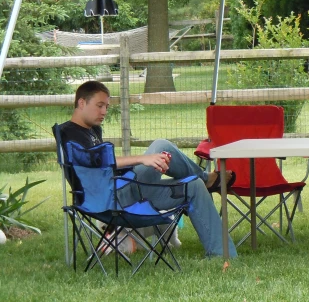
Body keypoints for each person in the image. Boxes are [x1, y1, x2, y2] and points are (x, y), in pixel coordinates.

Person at [58, 80, 237, 258]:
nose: (104, 111)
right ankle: (208, 179)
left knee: (194, 186)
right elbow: (95, 160)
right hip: (107, 198)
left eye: (106, 106)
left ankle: (222, 254)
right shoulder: (68, 133)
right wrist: (143, 159)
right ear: (81, 103)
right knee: (160, 147)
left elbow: (105, 165)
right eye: (99, 105)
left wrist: (143, 163)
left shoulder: (93, 130)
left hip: (125, 189)